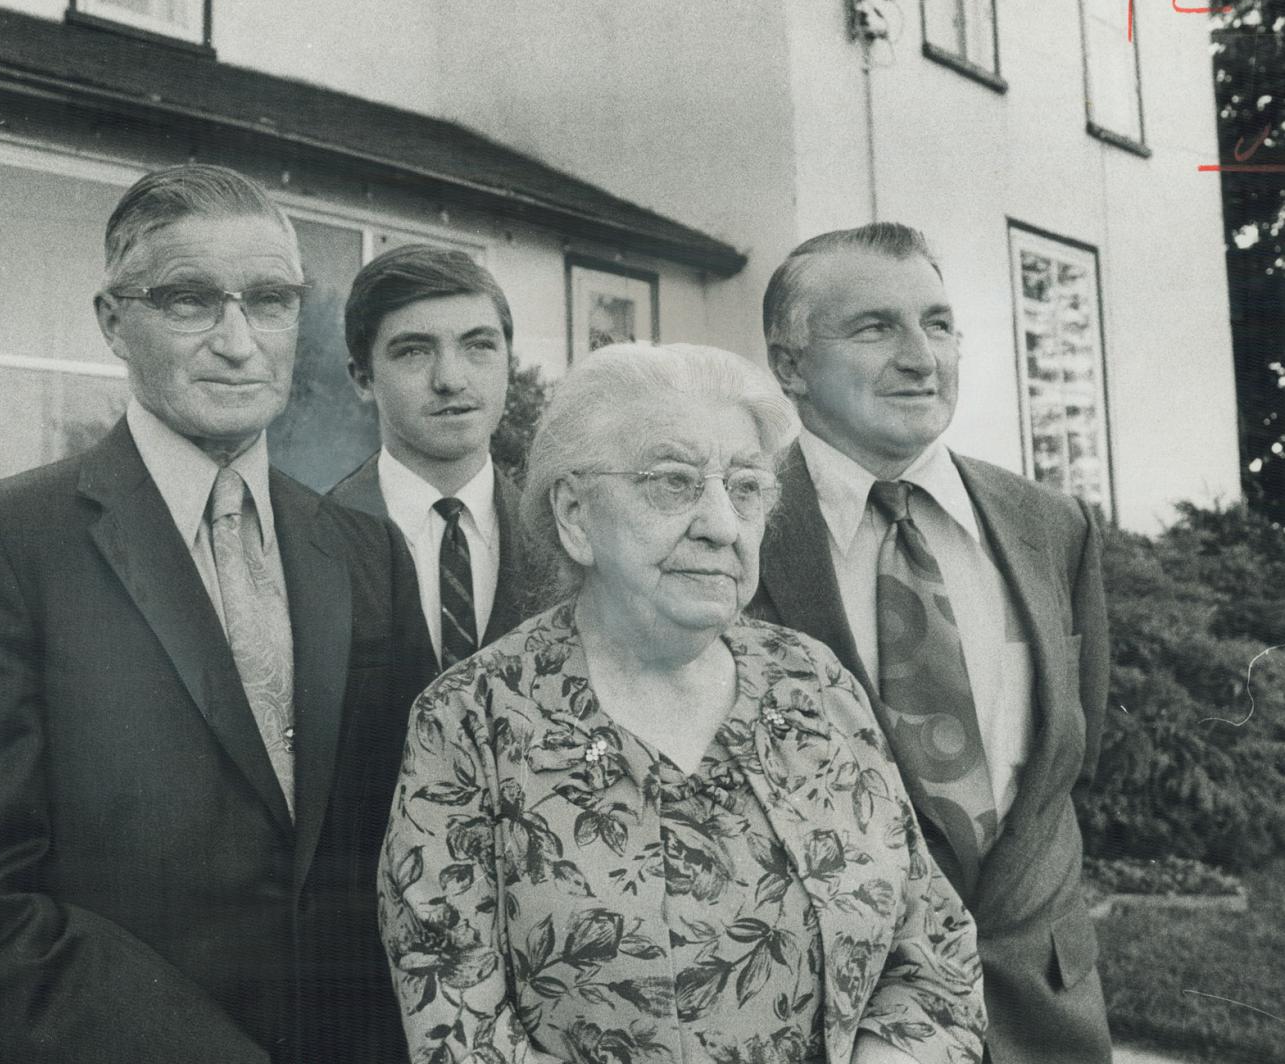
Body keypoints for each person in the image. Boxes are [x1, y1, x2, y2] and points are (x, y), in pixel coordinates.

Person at [0, 164, 432, 1064]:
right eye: (188, 302)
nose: (238, 342)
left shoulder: (365, 552)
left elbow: (411, 843)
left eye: (271, 301)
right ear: (111, 322)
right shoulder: (0, 540)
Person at [379, 343, 986, 1064]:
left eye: (747, 488)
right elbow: (458, 1032)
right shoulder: (470, 719)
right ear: (574, 513)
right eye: (673, 483)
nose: (722, 525)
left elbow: (932, 959)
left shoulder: (815, 686)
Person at [750, 223, 1111, 1063]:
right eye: (874, 328)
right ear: (790, 365)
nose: (921, 357)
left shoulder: (1050, 526)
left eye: (938, 323)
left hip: (1045, 1008)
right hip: (837, 1020)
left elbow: (1070, 755)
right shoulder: (733, 534)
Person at [330, 244, 536, 671]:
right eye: (413, 351)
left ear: (508, 365)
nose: (450, 380)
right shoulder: (316, 540)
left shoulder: (556, 541)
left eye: (478, 345)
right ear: (363, 379)